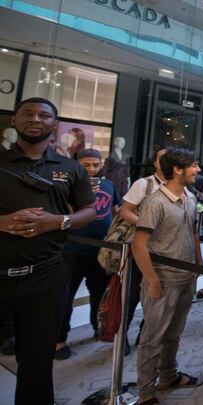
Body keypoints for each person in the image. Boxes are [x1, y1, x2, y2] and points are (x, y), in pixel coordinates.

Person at [0, 97, 95, 405]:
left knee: (38, 362)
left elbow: (89, 211)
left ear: (54, 126)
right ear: (14, 120)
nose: (35, 119)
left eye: (44, 115)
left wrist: (58, 221)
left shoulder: (70, 168)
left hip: (45, 275)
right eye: (27, 113)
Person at [132, 147, 203, 405]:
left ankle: (169, 375)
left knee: (174, 333)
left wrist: (199, 268)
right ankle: (145, 393)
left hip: (186, 278)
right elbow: (138, 245)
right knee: (153, 338)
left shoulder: (190, 197)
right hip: (163, 280)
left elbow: (193, 235)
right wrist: (152, 280)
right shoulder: (155, 202)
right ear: (177, 169)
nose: (198, 170)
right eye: (194, 165)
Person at [56, 149, 120, 359]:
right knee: (65, 295)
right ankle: (59, 339)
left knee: (100, 292)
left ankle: (99, 327)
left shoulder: (109, 185)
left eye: (95, 164)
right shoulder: (67, 185)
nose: (91, 168)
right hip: (71, 249)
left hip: (100, 250)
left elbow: (117, 210)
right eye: (86, 165)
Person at [118, 147, 167, 351]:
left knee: (156, 296)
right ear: (155, 162)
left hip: (163, 251)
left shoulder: (180, 188)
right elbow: (125, 211)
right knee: (130, 296)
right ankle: (121, 338)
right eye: (162, 159)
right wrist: (146, 225)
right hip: (140, 248)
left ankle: (144, 334)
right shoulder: (144, 184)